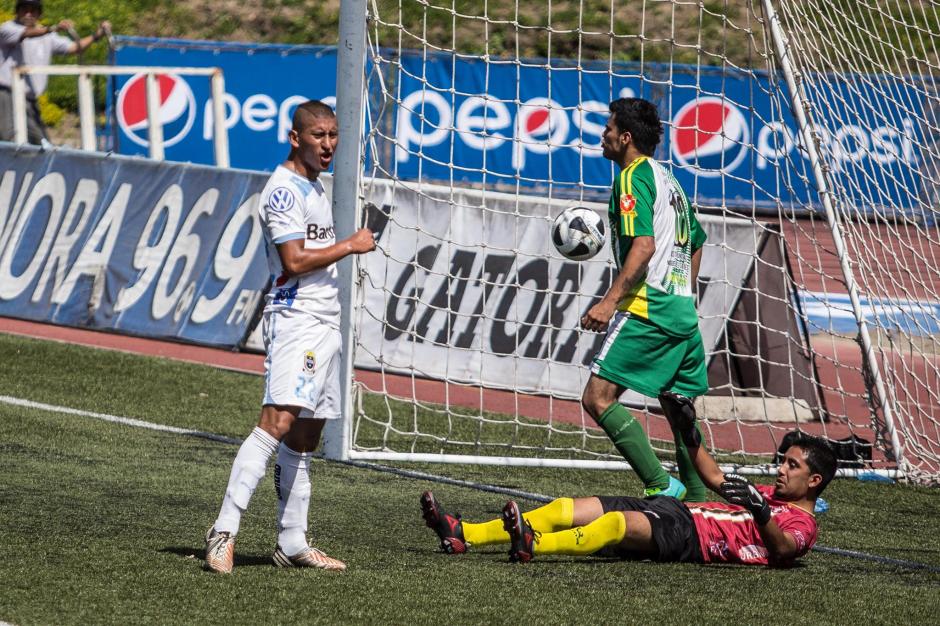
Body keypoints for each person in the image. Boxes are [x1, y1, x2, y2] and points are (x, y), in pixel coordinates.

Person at [203, 100, 376, 574]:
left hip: (325, 322)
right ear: (295, 137)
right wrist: (351, 245)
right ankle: (223, 530)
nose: (328, 144)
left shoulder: (313, 187)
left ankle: (292, 542)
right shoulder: (283, 191)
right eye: (319, 135)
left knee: (305, 434)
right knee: (276, 421)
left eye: (334, 135)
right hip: (297, 319)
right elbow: (295, 261)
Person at [421, 419, 837, 567]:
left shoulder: (802, 523)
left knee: (616, 525)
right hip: (675, 509)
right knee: (570, 506)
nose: (781, 469)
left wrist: (761, 509)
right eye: (783, 461)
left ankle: (535, 546)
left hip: (692, 540)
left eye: (792, 465)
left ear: (814, 481)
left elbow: (783, 551)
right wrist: (687, 427)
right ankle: (466, 533)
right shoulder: (770, 494)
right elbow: (713, 477)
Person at [580, 97, 709, 501]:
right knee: (677, 407)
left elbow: (645, 246)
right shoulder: (668, 179)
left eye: (608, 128)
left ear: (626, 137)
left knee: (598, 399)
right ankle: (699, 499)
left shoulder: (631, 177)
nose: (603, 135)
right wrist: (684, 292)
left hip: (647, 309)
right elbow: (697, 241)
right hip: (682, 313)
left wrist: (609, 301)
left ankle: (660, 484)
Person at [0, 0, 110, 144]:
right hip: (6, 94)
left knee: (41, 143)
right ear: (17, 11)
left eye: (33, 10)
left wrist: (97, 35)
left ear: (39, 14)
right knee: (8, 139)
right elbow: (26, 34)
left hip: (29, 99)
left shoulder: (46, 35)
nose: (28, 14)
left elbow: (74, 48)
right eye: (24, 10)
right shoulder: (7, 28)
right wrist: (53, 28)